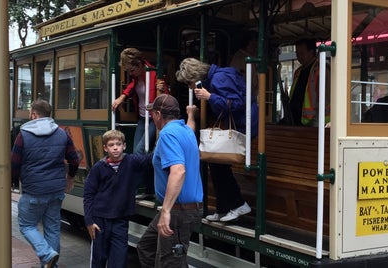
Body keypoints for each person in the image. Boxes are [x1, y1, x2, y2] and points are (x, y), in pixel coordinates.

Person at [176, 57, 259, 222]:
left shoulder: (219, 79)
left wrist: (210, 97)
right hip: (242, 124)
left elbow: (235, 104)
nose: (190, 88)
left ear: (195, 78)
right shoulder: (218, 77)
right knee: (216, 164)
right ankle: (223, 208)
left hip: (244, 125)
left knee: (218, 164)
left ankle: (238, 204)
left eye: (189, 83)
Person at [11, 99, 81, 268]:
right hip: (56, 190)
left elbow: (14, 164)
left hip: (33, 189)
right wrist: (70, 177)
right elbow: (74, 160)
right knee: (52, 229)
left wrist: (12, 183)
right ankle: (51, 265)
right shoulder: (62, 133)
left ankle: (46, 254)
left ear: (34, 114)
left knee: (27, 225)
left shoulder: (23, 135)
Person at [136, 94, 203, 267]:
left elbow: (178, 171)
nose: (152, 117)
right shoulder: (185, 130)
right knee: (146, 247)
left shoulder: (167, 134)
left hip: (178, 212)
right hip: (180, 209)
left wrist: (165, 211)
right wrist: (191, 115)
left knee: (169, 263)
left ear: (158, 114)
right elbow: (191, 127)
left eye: (152, 114)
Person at [83, 129, 152, 268]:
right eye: (111, 145)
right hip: (99, 220)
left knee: (119, 261)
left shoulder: (131, 161)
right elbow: (88, 194)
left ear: (124, 146)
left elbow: (149, 159)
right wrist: (89, 221)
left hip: (120, 220)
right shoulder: (99, 167)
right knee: (99, 259)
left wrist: (163, 139)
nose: (115, 147)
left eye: (118, 144)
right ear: (105, 148)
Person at [112, 47, 169, 154]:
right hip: (142, 118)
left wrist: (163, 89)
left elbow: (166, 98)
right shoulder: (136, 78)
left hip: (154, 118)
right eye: (128, 71)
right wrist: (122, 96)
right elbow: (132, 86)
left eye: (132, 70)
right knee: (136, 150)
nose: (130, 73)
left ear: (139, 64)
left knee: (140, 150)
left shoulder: (154, 74)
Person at [282, 38, 331, 127]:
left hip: (313, 120)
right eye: (297, 54)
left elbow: (326, 97)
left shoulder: (322, 69)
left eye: (302, 53)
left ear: (311, 52)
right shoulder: (298, 71)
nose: (299, 57)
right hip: (296, 119)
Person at [229, 31, 258, 97]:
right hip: (245, 96)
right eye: (253, 43)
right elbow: (253, 82)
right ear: (249, 44)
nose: (255, 46)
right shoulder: (243, 58)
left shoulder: (238, 56)